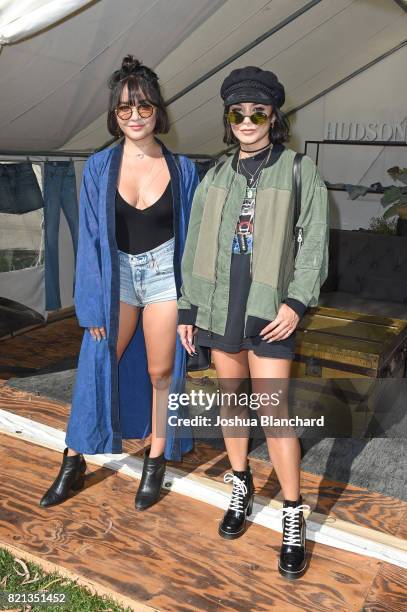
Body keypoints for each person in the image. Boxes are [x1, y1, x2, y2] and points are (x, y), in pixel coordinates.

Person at [177, 66, 329, 580]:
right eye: (238, 112)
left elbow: (314, 245)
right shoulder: (213, 174)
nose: (247, 119)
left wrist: (296, 303)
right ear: (228, 117)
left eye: (257, 111)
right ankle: (240, 487)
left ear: (273, 115)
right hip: (220, 306)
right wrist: (188, 309)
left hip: (269, 310)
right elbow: (195, 244)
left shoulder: (297, 169)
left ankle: (292, 515)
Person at [40, 55, 199, 511]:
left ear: (157, 112)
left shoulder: (184, 169)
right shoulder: (98, 167)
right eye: (125, 109)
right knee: (98, 361)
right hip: (118, 277)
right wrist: (90, 306)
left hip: (167, 274)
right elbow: (90, 238)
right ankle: (73, 461)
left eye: (143, 108)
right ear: (114, 115)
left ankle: (155, 459)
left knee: (159, 371)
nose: (134, 117)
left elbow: (192, 239)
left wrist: (192, 305)